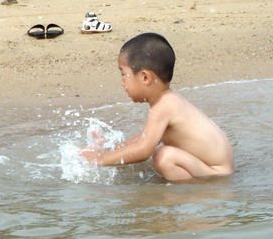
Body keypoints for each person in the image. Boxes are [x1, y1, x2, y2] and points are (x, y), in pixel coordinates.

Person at [80, 32, 233, 181]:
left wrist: (99, 159)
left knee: (164, 157)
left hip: (217, 174)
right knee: (162, 152)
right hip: (213, 168)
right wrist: (110, 149)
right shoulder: (168, 101)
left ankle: (187, 192)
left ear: (145, 77)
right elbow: (142, 139)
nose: (122, 82)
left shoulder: (164, 106)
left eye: (123, 74)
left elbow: (143, 150)